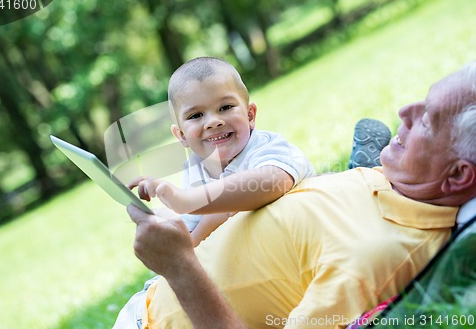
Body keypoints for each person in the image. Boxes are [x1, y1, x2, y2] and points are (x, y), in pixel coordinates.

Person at [117, 62, 476, 329]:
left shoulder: (371, 258)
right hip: (147, 302)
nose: (404, 112)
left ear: (458, 175)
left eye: (429, 119)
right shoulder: (401, 183)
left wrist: (180, 266)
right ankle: (358, 164)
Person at [128, 57, 314, 246]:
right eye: (196, 115)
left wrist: (186, 202)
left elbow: (272, 182)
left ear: (249, 115)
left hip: (311, 239)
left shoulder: (265, 147)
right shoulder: (196, 168)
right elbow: (192, 225)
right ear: (181, 135)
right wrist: (168, 222)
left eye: (225, 107)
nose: (213, 121)